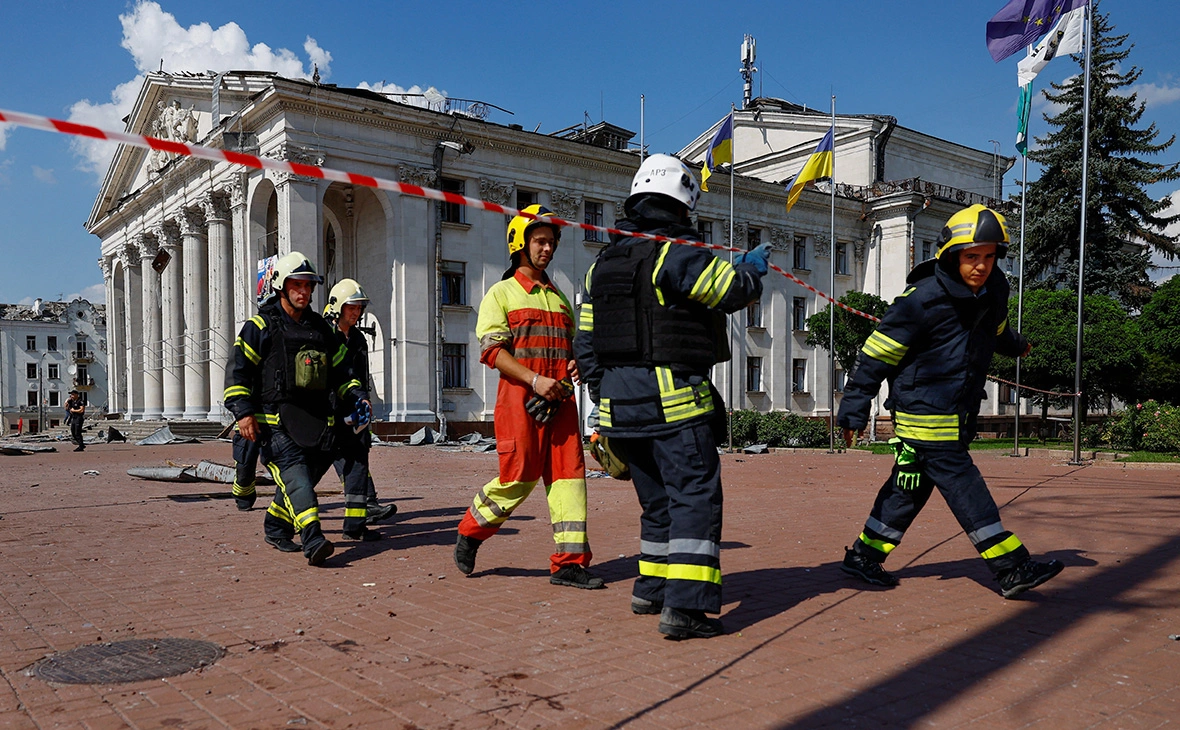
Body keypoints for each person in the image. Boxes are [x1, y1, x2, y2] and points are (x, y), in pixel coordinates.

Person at [574, 154, 768, 639]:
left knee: (656, 504)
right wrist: (750, 270)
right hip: (675, 405)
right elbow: (729, 292)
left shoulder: (601, 266)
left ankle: (651, 589)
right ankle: (686, 609)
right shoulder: (677, 253)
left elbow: (585, 341)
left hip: (620, 412)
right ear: (685, 205)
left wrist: (606, 394)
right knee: (694, 501)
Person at [837, 204, 1063, 599]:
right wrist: (854, 409)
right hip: (923, 412)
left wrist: (1018, 345)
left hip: (959, 409)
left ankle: (863, 555)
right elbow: (875, 355)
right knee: (965, 485)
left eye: (989, 257)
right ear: (951, 255)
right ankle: (1010, 567)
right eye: (971, 257)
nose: (981, 266)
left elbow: (996, 330)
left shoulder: (994, 290)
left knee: (909, 489)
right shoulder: (921, 300)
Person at [453, 204, 603, 590]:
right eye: (540, 241)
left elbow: (571, 351)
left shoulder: (558, 299)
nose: (547, 249)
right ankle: (471, 531)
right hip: (520, 402)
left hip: (562, 404)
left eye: (551, 242)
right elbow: (491, 350)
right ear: (519, 243)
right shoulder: (500, 293)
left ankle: (569, 563)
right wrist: (535, 381)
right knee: (518, 478)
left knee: (571, 480)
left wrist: (575, 367)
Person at [224, 251, 370, 566]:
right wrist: (243, 412)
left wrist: (357, 395)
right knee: (296, 476)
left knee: (308, 474)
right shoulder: (259, 326)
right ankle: (312, 537)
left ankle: (276, 525)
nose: (304, 292)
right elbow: (238, 372)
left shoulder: (321, 329)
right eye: (297, 285)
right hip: (273, 423)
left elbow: (343, 372)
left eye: (308, 286)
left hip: (316, 422)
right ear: (281, 286)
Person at [323, 278, 397, 533]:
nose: (356, 313)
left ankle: (368, 505)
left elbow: (361, 375)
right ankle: (287, 513)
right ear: (338, 307)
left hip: (353, 409)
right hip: (326, 411)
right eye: (351, 307)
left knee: (357, 455)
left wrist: (364, 399)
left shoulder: (357, 339)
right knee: (313, 463)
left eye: (359, 308)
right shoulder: (324, 335)